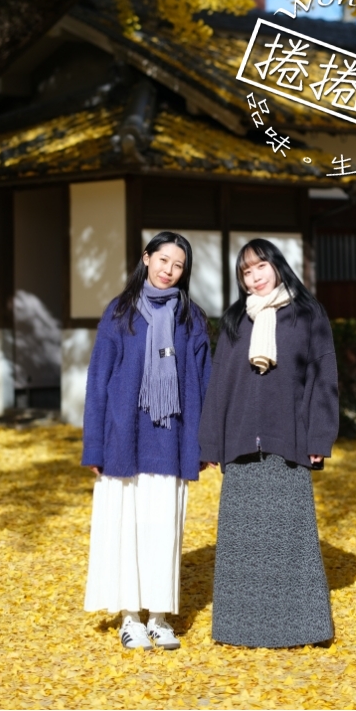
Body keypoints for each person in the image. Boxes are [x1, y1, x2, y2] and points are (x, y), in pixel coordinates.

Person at [199, 238, 339, 648]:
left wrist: (319, 436)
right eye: (246, 271)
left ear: (277, 266)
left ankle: (303, 628)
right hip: (241, 441)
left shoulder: (307, 315)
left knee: (290, 537)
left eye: (260, 266)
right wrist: (210, 443)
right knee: (243, 542)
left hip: (289, 439)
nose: (254, 276)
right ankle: (240, 629)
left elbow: (323, 377)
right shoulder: (235, 321)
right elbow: (219, 384)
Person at [81, 231, 212, 650]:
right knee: (126, 527)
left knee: (162, 528)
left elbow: (205, 385)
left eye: (178, 265)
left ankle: (158, 617)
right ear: (146, 258)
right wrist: (95, 445)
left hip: (171, 440)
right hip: (124, 438)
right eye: (163, 260)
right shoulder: (119, 313)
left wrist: (205, 443)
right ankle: (130, 618)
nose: (169, 270)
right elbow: (98, 381)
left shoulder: (192, 318)